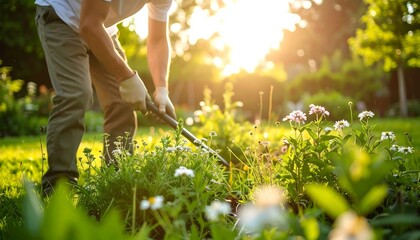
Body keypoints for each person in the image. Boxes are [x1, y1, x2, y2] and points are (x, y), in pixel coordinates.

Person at [34, 0, 176, 195]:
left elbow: (158, 39)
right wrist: (126, 77)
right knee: (76, 95)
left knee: (123, 102)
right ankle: (58, 189)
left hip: (101, 28)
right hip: (62, 16)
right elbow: (88, 25)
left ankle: (117, 181)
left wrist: (162, 89)